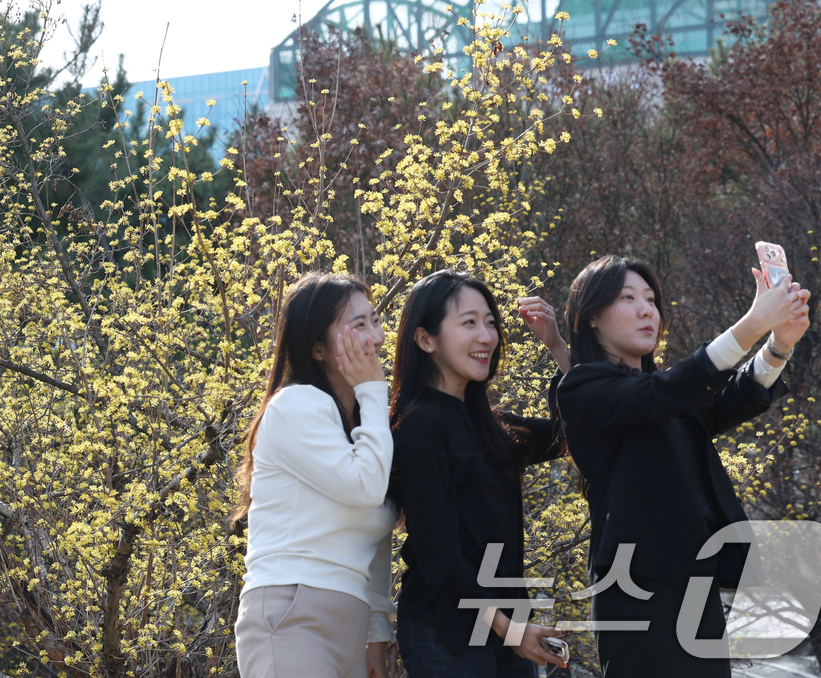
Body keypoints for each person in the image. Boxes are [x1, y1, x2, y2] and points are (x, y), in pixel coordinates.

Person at [555, 255, 810, 678]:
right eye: (627, 298)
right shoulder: (582, 389)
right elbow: (672, 390)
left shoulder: (667, 393)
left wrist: (779, 344)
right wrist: (750, 325)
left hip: (695, 579)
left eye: (651, 300)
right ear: (591, 318)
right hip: (635, 584)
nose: (646, 310)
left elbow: (724, 398)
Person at [381, 270, 571, 677]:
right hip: (447, 633)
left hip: (506, 630)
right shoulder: (421, 425)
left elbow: (572, 434)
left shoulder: (488, 424)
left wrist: (557, 347)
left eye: (490, 323)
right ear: (425, 339)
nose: (487, 336)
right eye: (469, 323)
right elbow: (439, 554)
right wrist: (509, 628)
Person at [233, 271, 396, 678]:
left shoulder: (363, 427)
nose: (375, 337)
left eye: (374, 321)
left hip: (348, 623)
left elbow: (373, 537)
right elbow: (366, 487)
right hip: (291, 612)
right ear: (319, 349)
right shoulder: (296, 405)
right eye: (358, 326)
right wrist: (374, 392)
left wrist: (376, 635)